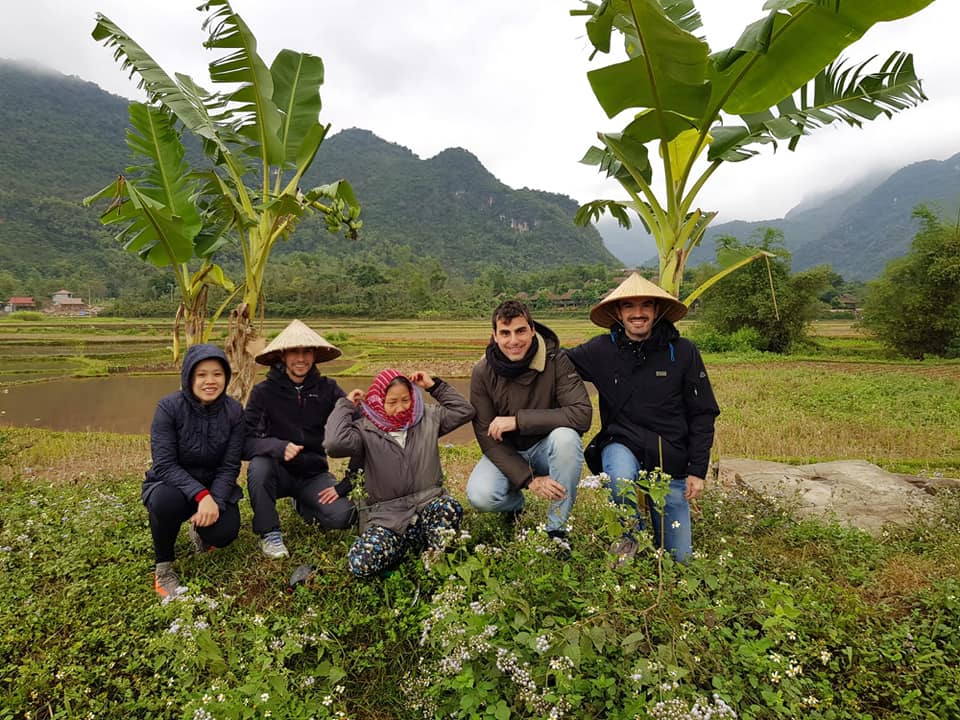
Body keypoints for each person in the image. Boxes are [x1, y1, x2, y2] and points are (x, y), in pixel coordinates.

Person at [567, 273, 720, 564]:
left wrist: (697, 470)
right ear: (618, 312)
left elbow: (703, 413)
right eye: (629, 307)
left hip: (671, 456)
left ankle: (664, 553)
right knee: (620, 477)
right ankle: (630, 537)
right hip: (622, 442)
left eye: (645, 305)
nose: (638, 314)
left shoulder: (683, 352)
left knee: (679, 560)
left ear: (657, 310)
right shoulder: (601, 350)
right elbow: (555, 362)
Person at [324, 369, 475, 578]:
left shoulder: (427, 418)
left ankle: (433, 555)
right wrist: (346, 405)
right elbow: (333, 444)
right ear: (378, 400)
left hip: (427, 505)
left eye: (406, 399)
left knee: (448, 507)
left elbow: (464, 410)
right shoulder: (364, 430)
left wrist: (434, 386)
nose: (401, 408)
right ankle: (406, 547)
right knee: (360, 564)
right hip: (387, 518)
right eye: (392, 402)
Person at [466, 299, 591, 551]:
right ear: (495, 336)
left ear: (532, 329)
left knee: (567, 438)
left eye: (520, 331)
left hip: (547, 448)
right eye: (505, 333)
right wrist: (529, 480)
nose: (514, 341)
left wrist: (518, 421)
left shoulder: (557, 361)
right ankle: (516, 504)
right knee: (480, 495)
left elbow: (581, 414)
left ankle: (556, 529)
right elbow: (486, 437)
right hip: (508, 452)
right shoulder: (482, 372)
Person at [244, 319, 356, 559]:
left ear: (315, 355)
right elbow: (245, 441)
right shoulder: (263, 392)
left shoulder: (328, 389)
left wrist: (353, 406)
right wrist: (277, 447)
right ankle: (270, 533)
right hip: (277, 472)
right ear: (283, 355)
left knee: (344, 515)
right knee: (258, 466)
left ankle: (303, 504)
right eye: (295, 351)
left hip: (312, 474)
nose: (301, 358)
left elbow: (352, 424)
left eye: (307, 351)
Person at [143, 343, 244, 599]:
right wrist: (202, 496)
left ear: (226, 377)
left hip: (214, 487)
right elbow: (164, 464)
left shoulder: (234, 411)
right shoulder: (169, 407)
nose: (210, 381)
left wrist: (216, 500)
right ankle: (164, 569)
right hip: (174, 486)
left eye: (217, 374)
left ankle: (201, 532)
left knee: (225, 533)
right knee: (163, 503)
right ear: (189, 377)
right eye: (201, 374)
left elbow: (230, 465)